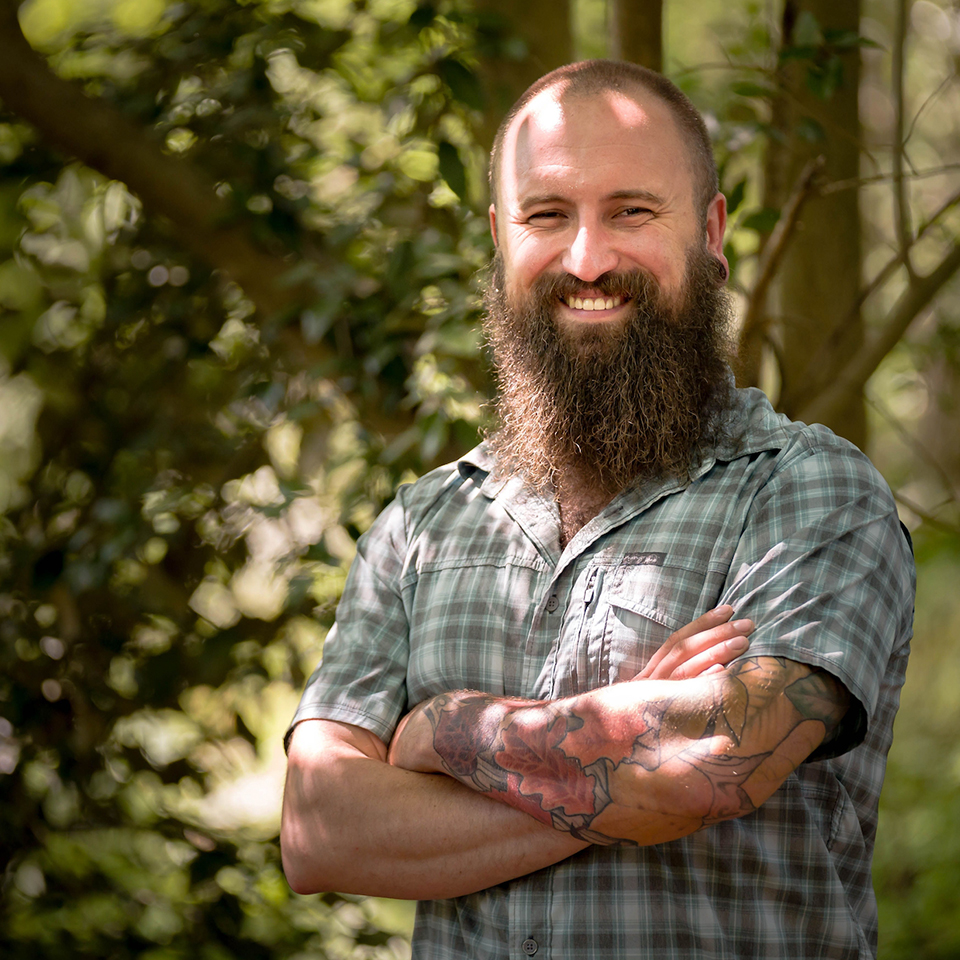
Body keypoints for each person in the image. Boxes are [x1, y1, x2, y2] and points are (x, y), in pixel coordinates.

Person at [281, 59, 915, 959]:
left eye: (632, 211)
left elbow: (708, 769)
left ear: (711, 229)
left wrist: (442, 728)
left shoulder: (811, 494)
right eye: (548, 215)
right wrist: (624, 741)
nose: (588, 258)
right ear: (501, 237)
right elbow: (319, 830)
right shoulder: (422, 527)